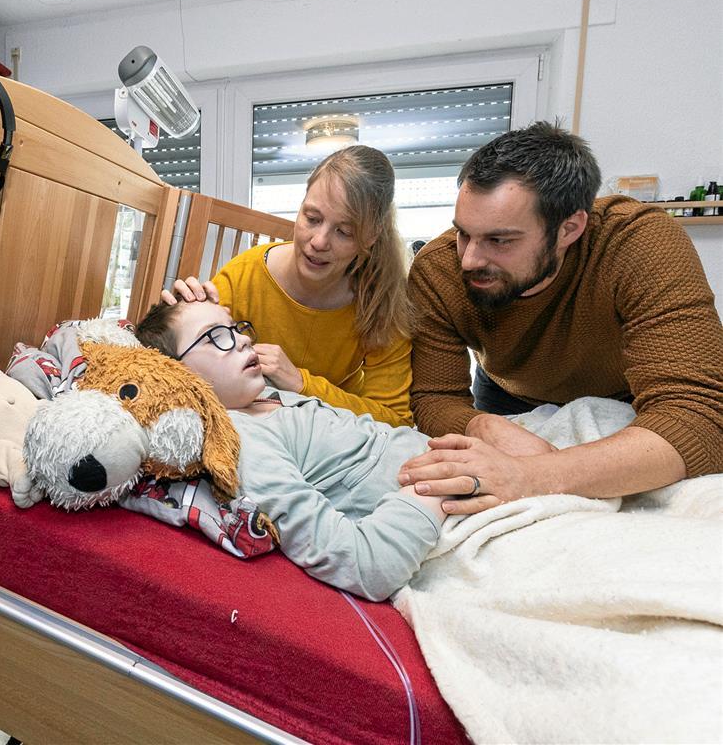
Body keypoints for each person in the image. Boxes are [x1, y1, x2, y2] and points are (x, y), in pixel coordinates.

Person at [402, 121, 723, 517]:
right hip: (506, 387)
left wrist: (531, 476)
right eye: (463, 234)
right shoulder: (437, 271)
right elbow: (434, 398)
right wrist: (480, 426)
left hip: (626, 393)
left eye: (500, 241)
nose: (469, 259)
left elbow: (698, 419)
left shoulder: (640, 244)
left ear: (569, 228)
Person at [136, 299, 448, 601]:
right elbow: (367, 566)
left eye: (235, 328)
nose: (243, 340)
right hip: (447, 504)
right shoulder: (241, 440)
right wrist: (436, 483)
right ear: (174, 375)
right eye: (216, 336)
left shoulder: (266, 395)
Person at [162, 146, 414, 427]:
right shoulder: (243, 277)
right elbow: (180, 364)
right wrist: (173, 320)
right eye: (312, 218)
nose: (318, 242)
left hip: (340, 430)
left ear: (371, 237)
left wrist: (301, 383)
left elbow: (394, 419)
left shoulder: (383, 301)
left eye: (344, 231)